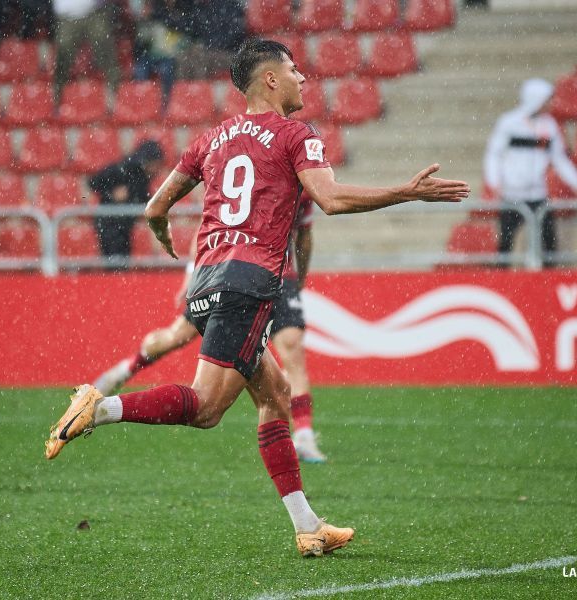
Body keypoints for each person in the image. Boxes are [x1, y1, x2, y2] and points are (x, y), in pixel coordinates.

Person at [44, 38, 469, 556]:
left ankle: (308, 526)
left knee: (275, 395)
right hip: (249, 284)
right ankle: (100, 407)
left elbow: (156, 206)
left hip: (207, 281)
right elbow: (329, 200)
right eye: (294, 70)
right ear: (271, 79)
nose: (303, 78)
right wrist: (406, 192)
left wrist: (164, 238)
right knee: (205, 409)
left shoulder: (212, 138)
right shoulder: (296, 135)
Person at [94, 191, 327, 462]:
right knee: (176, 337)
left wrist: (298, 281)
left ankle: (305, 436)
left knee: (293, 351)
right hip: (232, 275)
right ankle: (126, 368)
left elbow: (304, 235)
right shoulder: (255, 168)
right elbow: (208, 227)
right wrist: (192, 276)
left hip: (279, 276)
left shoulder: (304, 183)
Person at [484, 78, 577, 268]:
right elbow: (494, 154)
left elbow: (559, 158)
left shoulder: (549, 126)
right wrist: (494, 181)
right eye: (547, 99)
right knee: (505, 245)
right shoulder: (509, 122)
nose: (551, 104)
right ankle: (501, 282)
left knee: (550, 244)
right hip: (512, 194)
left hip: (538, 195)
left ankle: (548, 284)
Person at [89, 140, 164, 261]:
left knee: (122, 262)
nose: (156, 168)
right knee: (113, 261)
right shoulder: (121, 168)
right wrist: (111, 193)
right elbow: (93, 183)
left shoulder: (143, 176)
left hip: (125, 225)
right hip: (109, 224)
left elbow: (142, 198)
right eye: (155, 163)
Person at [52, 0, 121, 105]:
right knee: (64, 49)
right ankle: (57, 94)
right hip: (67, 17)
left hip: (94, 12)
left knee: (102, 41)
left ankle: (117, 89)